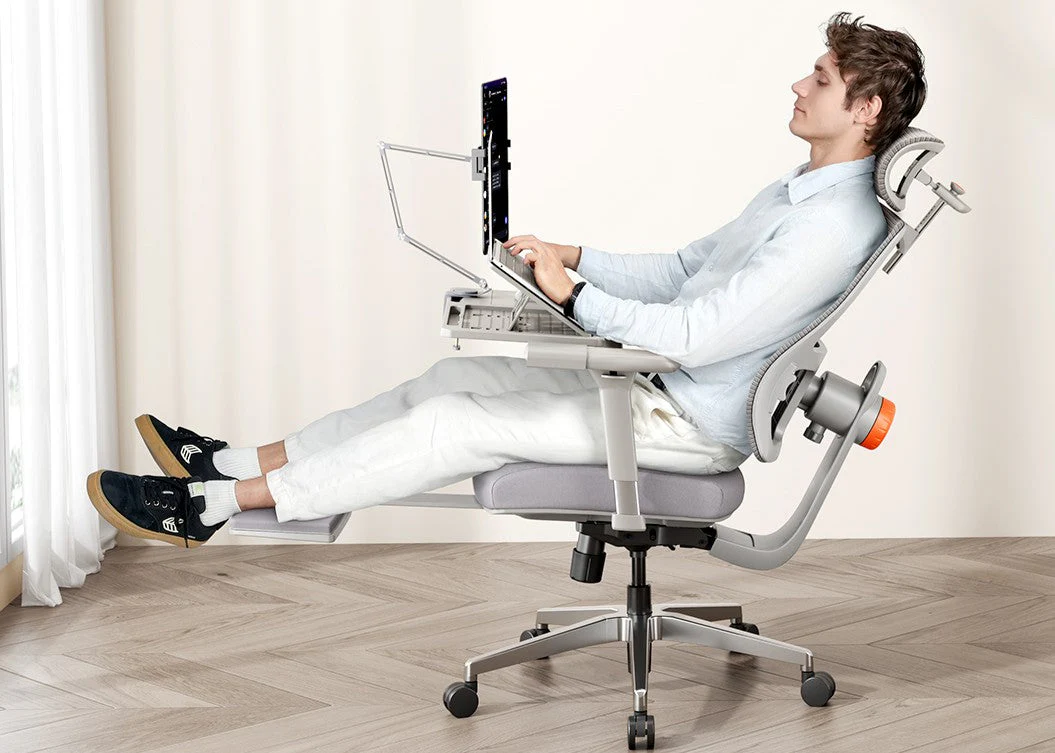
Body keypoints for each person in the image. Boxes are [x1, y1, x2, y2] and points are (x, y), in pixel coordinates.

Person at [86, 12, 926, 548]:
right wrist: (573, 255)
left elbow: (700, 332)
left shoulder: (828, 225)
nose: (797, 84)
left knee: (455, 421)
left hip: (687, 420)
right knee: (451, 376)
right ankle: (229, 460)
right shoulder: (794, 189)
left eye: (820, 79)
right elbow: (683, 270)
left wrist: (573, 299)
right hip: (662, 387)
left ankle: (218, 506)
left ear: (866, 112)